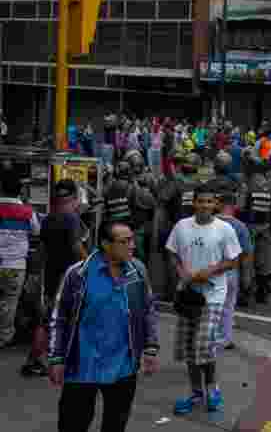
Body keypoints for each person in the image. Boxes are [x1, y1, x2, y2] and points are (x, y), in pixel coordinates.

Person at [48, 220, 160, 432]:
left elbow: (148, 310)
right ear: (106, 244)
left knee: (115, 424)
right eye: (124, 241)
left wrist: (150, 348)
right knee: (72, 423)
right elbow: (59, 316)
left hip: (123, 366)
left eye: (132, 240)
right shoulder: (78, 274)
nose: (132, 246)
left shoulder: (137, 271)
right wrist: (56, 357)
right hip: (82, 365)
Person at [165, 183, 241, 416]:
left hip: (214, 295)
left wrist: (212, 270)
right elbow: (172, 252)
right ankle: (197, 393)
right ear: (194, 203)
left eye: (209, 202)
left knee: (203, 344)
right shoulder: (181, 226)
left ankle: (212, 388)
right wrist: (181, 272)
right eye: (201, 201)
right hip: (188, 296)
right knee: (190, 349)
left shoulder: (224, 229)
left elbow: (233, 260)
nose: (205, 206)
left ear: (215, 204)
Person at [29, 180, 89, 377]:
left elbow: (42, 250)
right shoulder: (72, 219)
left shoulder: (48, 219)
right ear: (73, 197)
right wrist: (89, 265)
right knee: (73, 319)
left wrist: (36, 275)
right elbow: (75, 246)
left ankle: (36, 359)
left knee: (46, 320)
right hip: (69, 277)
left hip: (51, 275)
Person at [0, 159, 41, 348]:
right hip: (15, 266)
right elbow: (36, 231)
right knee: (10, 300)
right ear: (20, 191)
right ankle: (5, 336)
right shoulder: (27, 212)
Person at [215, 193, 251, 351]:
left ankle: (211, 337)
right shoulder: (240, 226)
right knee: (229, 306)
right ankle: (226, 339)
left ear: (218, 204)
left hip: (212, 270)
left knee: (212, 306)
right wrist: (244, 272)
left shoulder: (211, 223)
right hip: (231, 271)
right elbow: (247, 252)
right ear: (234, 206)